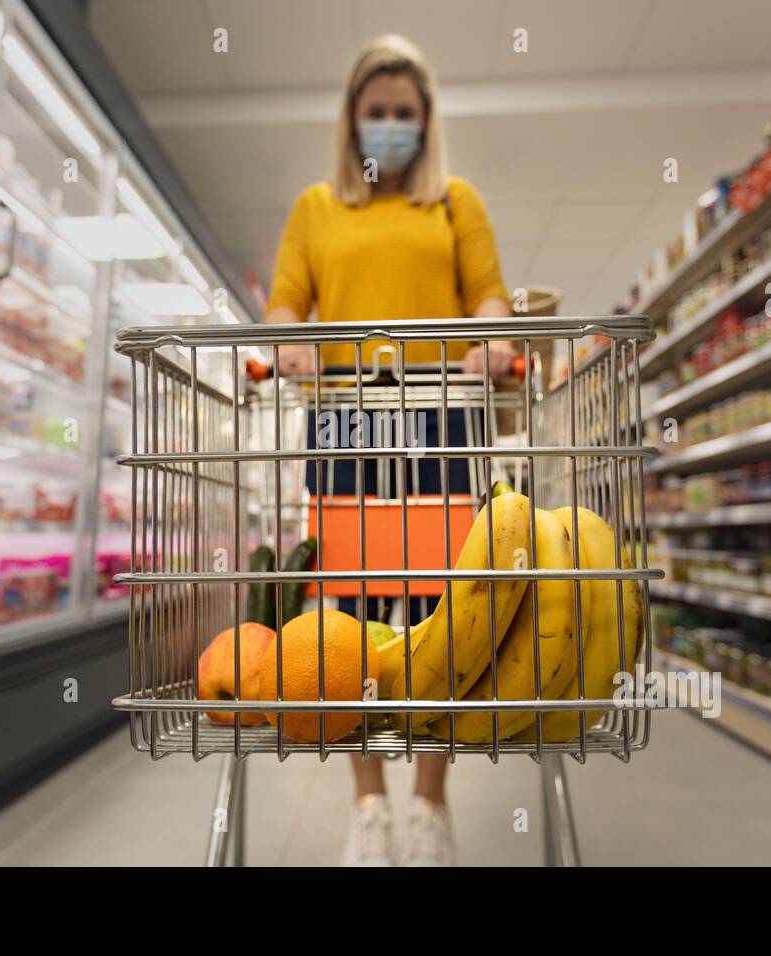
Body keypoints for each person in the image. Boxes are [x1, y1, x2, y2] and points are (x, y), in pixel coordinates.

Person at [264, 33, 512, 867]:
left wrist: (493, 343)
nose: (392, 128)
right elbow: (284, 308)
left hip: (440, 416)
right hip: (346, 420)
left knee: (449, 613)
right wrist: (291, 344)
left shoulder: (455, 202)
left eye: (406, 114)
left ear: (427, 120)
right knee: (353, 616)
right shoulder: (316, 208)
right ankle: (368, 804)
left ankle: (430, 805)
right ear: (353, 120)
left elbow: (488, 299)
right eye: (378, 114)